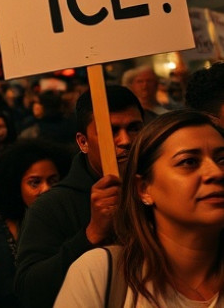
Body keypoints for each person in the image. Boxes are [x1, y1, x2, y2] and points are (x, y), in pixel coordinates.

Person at [56, 109, 224, 306]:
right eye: (189, 162)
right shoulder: (100, 273)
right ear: (144, 189)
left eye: (222, 160)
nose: (216, 173)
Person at [14, 86, 144, 308]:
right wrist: (91, 234)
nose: (125, 140)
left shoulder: (161, 191)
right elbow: (29, 290)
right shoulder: (51, 206)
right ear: (83, 142)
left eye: (134, 128)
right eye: (111, 131)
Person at [0, 140, 71, 308]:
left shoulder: (68, 221)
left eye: (53, 181)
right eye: (35, 182)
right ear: (16, 187)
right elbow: (7, 291)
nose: (46, 189)